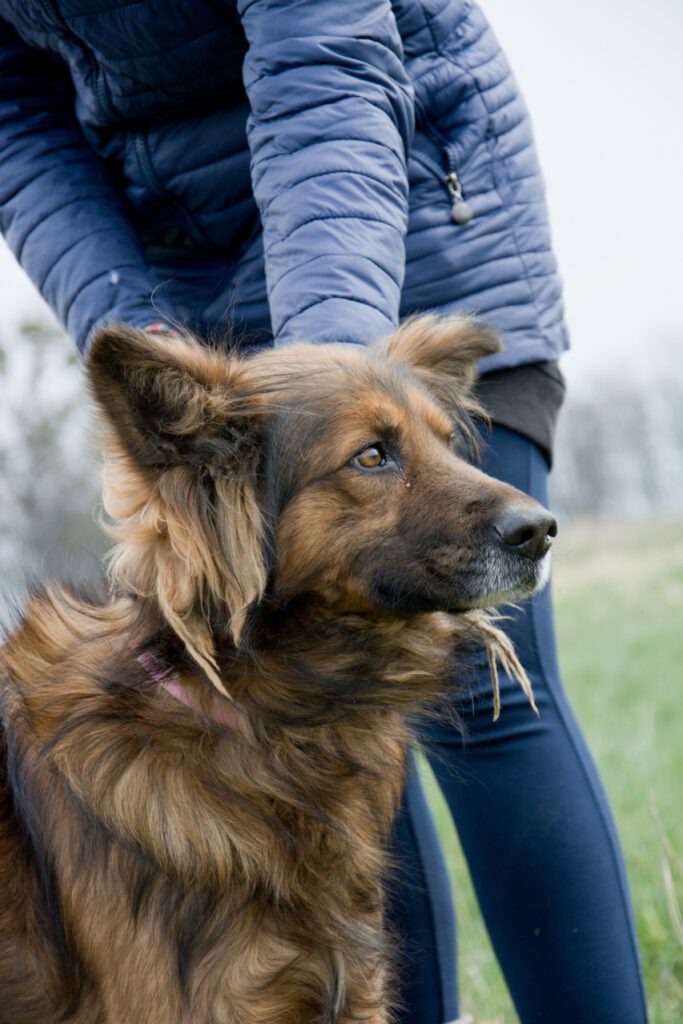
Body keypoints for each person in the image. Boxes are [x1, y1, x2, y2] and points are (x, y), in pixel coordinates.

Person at [0, 1, 647, 1021]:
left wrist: (344, 385)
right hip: (192, 270)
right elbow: (15, 121)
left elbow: (328, 54)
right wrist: (143, 320)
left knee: (491, 704)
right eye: (382, 458)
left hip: (412, 208)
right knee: (316, 717)